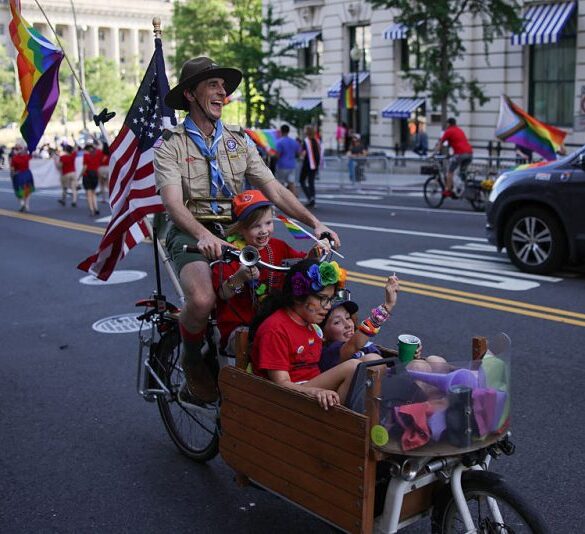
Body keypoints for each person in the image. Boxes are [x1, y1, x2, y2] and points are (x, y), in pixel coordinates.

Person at [154, 56, 340, 403]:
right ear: (191, 94)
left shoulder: (240, 141)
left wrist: (315, 224)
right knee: (203, 298)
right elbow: (174, 205)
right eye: (213, 84)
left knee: (283, 282)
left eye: (224, 86)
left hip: (237, 227)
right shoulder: (172, 146)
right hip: (190, 232)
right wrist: (203, 235)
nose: (222, 91)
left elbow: (274, 190)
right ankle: (192, 358)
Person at [212, 190, 328, 358]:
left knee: (322, 328)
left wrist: (316, 253)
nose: (264, 231)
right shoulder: (230, 253)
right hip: (240, 327)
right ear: (240, 229)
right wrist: (240, 277)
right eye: (256, 226)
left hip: (276, 321)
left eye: (268, 223)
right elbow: (223, 293)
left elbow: (302, 265)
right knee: (275, 340)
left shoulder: (278, 246)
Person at [250, 258, 363, 410]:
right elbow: (281, 384)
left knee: (371, 362)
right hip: (287, 400)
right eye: (323, 299)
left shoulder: (311, 325)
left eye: (330, 299)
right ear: (298, 297)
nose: (328, 306)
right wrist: (314, 392)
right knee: (354, 367)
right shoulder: (275, 329)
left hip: (310, 388)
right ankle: (334, 428)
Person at [319, 275, 399, 372]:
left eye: (348, 317)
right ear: (322, 333)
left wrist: (409, 357)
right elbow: (354, 345)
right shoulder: (329, 353)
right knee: (373, 360)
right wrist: (388, 305)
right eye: (337, 322)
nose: (348, 325)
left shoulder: (367, 345)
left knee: (418, 365)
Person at [432, 117, 473, 197]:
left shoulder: (448, 131)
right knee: (462, 172)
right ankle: (462, 188)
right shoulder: (459, 130)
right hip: (469, 153)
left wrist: (433, 154)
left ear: (449, 124)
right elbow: (458, 142)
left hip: (460, 154)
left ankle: (447, 190)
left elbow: (440, 143)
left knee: (450, 172)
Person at [274, 124, 300, 196]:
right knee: (291, 183)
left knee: (281, 183)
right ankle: (295, 200)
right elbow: (298, 153)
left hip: (282, 165)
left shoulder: (279, 142)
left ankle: (282, 199)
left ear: (281, 131)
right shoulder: (294, 142)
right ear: (288, 131)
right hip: (292, 165)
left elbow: (277, 155)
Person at [299, 125, 321, 208]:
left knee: (302, 180)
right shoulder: (317, 140)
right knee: (311, 182)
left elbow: (303, 153)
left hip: (307, 163)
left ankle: (309, 197)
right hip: (315, 164)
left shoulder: (306, 141)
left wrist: (300, 157)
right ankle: (312, 198)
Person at [9, 142, 34, 212]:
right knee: (27, 190)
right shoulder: (28, 157)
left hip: (18, 175)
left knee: (18, 190)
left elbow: (12, 169)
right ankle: (27, 204)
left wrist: (12, 176)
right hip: (27, 174)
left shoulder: (14, 158)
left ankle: (22, 203)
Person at [82, 142, 103, 216]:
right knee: (93, 193)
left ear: (86, 149)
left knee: (88, 194)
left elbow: (85, 167)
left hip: (87, 175)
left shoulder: (86, 155)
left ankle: (92, 210)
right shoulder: (98, 153)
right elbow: (100, 145)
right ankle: (96, 208)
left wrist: (80, 175)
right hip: (95, 175)